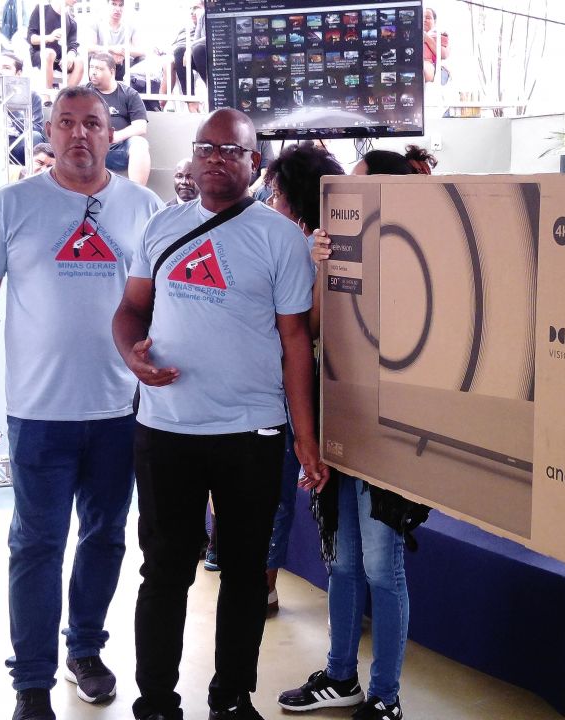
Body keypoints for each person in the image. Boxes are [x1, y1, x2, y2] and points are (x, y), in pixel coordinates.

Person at [0, 85, 163, 720]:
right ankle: (32, 682)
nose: (79, 133)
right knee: (36, 544)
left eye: (92, 122)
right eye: (66, 122)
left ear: (110, 133)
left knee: (106, 538)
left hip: (120, 411)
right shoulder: (13, 204)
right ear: (50, 133)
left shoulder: (144, 207)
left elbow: (164, 302)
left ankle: (84, 650)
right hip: (39, 414)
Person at [113, 108, 326, 720]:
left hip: (250, 433)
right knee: (164, 571)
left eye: (231, 150)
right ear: (193, 155)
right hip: (165, 429)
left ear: (253, 162)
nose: (215, 158)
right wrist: (131, 355)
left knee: (244, 573)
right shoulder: (162, 226)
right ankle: (156, 701)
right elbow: (130, 311)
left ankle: (230, 697)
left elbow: (295, 342)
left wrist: (305, 438)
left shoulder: (280, 238)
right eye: (206, 147)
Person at [278, 145, 435, 720]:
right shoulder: (338, 248)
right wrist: (324, 269)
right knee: (342, 563)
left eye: (359, 183)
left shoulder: (419, 257)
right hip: (341, 427)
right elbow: (313, 330)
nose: (346, 193)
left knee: (381, 567)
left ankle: (385, 695)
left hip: (391, 435)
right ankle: (341, 675)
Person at [259, 142, 345, 614]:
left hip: (298, 383)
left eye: (276, 193)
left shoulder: (305, 246)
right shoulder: (314, 241)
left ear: (292, 198)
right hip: (318, 383)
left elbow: (303, 327)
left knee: (283, 489)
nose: (270, 201)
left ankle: (267, 586)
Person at [87, 52, 150, 185]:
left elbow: (140, 126)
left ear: (112, 72)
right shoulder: (83, 93)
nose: (93, 72)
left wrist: (115, 136)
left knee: (140, 144)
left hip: (118, 150)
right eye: (91, 67)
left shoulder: (129, 94)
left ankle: (137, 192)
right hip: (89, 149)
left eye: (99, 68)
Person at [0, 51, 46, 165]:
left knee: (35, 136)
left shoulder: (31, 96)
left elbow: (36, 129)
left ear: (18, 74)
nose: (0, 71)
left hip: (16, 142)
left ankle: (32, 174)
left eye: (6, 68)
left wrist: (13, 111)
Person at [27, 0, 82, 91]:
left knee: (79, 62)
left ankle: (65, 96)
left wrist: (70, 56)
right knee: (50, 53)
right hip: (40, 55)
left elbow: (73, 45)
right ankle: (47, 97)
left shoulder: (71, 20)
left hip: (59, 59)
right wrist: (49, 37)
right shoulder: (41, 9)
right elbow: (31, 38)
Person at [84, 0, 144, 82]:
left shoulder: (131, 25)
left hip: (122, 64)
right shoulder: (96, 22)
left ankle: (133, 87)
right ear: (107, 5)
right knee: (90, 56)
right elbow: (89, 47)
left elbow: (141, 50)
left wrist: (123, 52)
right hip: (102, 63)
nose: (117, 9)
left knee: (141, 59)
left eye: (121, 5)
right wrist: (111, 50)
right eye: (114, 4)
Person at [421, 8, 448, 84]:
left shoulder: (439, 35)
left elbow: (444, 54)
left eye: (428, 18)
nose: (424, 20)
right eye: (422, 17)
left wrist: (426, 38)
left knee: (421, 69)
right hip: (411, 63)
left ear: (434, 21)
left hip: (430, 65)